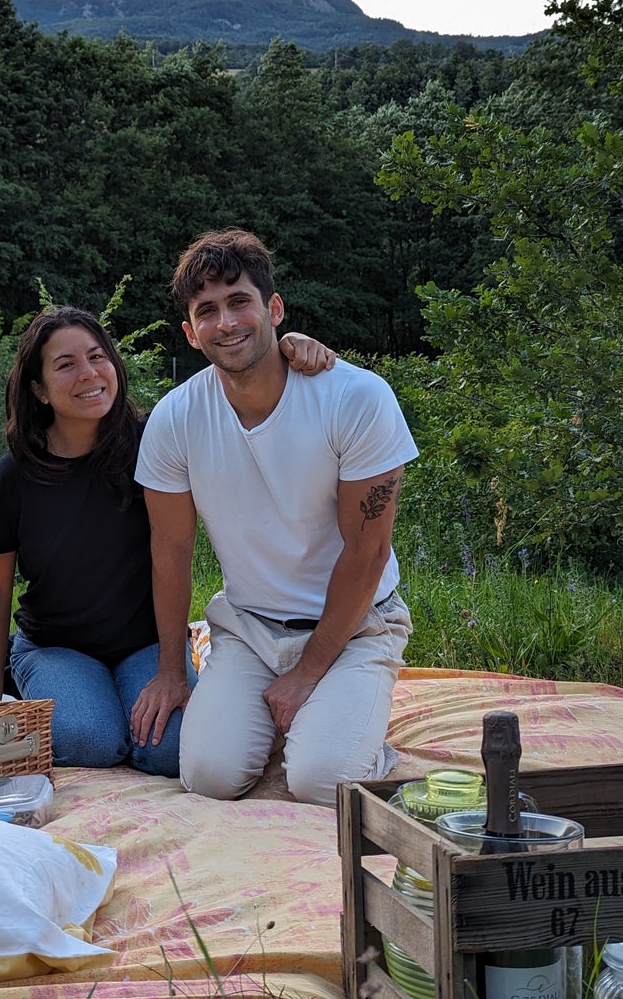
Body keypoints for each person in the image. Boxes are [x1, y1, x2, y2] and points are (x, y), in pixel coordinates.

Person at [0, 304, 334, 773]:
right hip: (57, 645)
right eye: (66, 365)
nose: (89, 374)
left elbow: (234, 392)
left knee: (169, 751)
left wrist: (288, 349)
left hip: (146, 643)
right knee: (92, 741)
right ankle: (41, 685)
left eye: (97, 357)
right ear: (38, 389)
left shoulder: (156, 441)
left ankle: (109, 698)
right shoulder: (11, 478)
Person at [131, 229, 417, 805]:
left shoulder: (356, 399)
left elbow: (368, 554)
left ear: (274, 309)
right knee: (209, 775)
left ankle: (356, 737)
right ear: (190, 333)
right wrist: (170, 671)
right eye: (206, 311)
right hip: (249, 628)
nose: (227, 322)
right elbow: (171, 553)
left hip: (358, 626)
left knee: (321, 782)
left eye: (239, 301)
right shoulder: (174, 419)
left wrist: (307, 674)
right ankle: (316, 723)